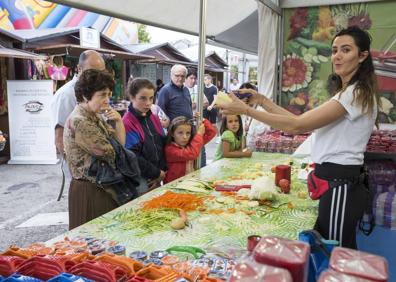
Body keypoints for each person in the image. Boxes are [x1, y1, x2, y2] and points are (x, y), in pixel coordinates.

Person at [217, 26, 380, 249]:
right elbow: (300, 124)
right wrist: (262, 100)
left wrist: (246, 111)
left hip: (341, 182)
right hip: (333, 180)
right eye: (334, 50)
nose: (337, 56)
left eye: (346, 50)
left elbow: (296, 125)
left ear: (362, 56)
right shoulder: (346, 93)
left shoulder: (355, 93)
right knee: (331, 249)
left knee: (336, 253)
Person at [63, 69, 124, 229]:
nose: (107, 100)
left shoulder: (94, 115)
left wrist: (118, 121)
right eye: (102, 95)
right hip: (90, 190)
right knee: (91, 243)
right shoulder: (80, 121)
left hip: (101, 186)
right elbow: (112, 153)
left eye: (109, 95)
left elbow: (119, 147)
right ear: (85, 95)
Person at [51, 50, 105, 154]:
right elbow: (59, 139)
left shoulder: (95, 90)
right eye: (93, 72)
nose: (98, 76)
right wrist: (75, 167)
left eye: (101, 72)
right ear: (79, 69)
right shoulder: (66, 95)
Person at [123, 78, 167, 190]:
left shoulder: (153, 117)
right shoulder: (127, 122)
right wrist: (157, 173)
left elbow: (162, 144)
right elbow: (133, 156)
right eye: (142, 98)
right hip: (141, 179)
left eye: (151, 98)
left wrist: (162, 171)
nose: (148, 103)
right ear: (132, 97)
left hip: (157, 176)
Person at [164, 117, 216, 184]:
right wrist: (199, 135)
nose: (185, 137)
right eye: (180, 133)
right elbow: (191, 154)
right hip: (174, 185)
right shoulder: (170, 149)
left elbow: (211, 133)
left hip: (189, 182)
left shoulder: (192, 144)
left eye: (188, 133)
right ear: (172, 134)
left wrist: (202, 120)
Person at [185, 69, 210, 167]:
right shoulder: (183, 89)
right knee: (189, 148)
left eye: (195, 78)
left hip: (198, 123)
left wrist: (197, 105)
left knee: (201, 147)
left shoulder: (198, 89)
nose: (193, 80)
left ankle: (202, 167)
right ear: (186, 79)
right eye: (191, 78)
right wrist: (189, 106)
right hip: (186, 124)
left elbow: (206, 103)